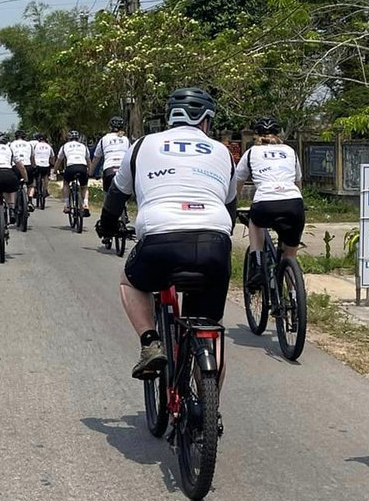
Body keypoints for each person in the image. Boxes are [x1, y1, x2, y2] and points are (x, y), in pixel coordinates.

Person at [96, 88, 237, 379]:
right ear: (207, 120)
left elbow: (116, 195)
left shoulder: (142, 145)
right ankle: (210, 413)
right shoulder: (222, 151)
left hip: (161, 237)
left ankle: (150, 342)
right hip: (213, 241)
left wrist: (107, 224)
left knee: (131, 282)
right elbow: (231, 206)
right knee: (210, 329)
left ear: (169, 117)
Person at [234, 117, 305, 285]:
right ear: (278, 134)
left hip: (265, 202)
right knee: (289, 256)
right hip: (294, 203)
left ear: (255, 136)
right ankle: (295, 296)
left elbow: (237, 182)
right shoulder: (290, 151)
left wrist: (233, 205)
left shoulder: (251, 152)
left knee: (255, 222)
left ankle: (257, 264)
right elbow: (298, 182)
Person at [92, 116, 131, 245]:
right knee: (124, 191)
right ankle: (125, 213)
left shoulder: (104, 140)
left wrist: (91, 172)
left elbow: (96, 158)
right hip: (124, 170)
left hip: (109, 169)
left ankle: (107, 232)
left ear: (110, 127)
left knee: (107, 198)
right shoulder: (125, 139)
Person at [58, 131, 90, 213]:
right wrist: (90, 171)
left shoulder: (65, 146)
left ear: (69, 138)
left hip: (71, 167)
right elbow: (88, 160)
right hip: (82, 167)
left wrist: (55, 170)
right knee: (84, 187)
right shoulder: (84, 146)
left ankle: (67, 205)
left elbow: (59, 160)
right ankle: (85, 204)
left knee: (66, 183)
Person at [30, 133, 53, 202]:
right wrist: (52, 164)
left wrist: (32, 164)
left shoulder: (36, 146)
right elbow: (52, 156)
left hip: (37, 164)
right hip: (46, 165)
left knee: (34, 177)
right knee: (46, 176)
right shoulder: (49, 146)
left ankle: (35, 190)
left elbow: (32, 155)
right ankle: (45, 190)